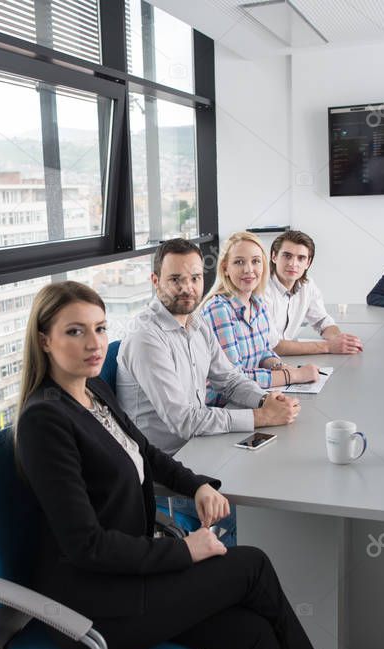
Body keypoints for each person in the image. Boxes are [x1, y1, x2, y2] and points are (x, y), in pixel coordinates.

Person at [15, 281, 330, 649]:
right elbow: (86, 547)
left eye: (100, 328)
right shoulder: (45, 421)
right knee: (252, 566)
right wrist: (184, 551)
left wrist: (196, 484)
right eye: (75, 331)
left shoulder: (92, 389)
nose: (94, 343)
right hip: (95, 606)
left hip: (133, 575)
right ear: (44, 340)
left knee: (254, 636)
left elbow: (145, 452)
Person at [118, 239, 300, 546]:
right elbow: (184, 421)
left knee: (282, 479)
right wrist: (259, 417)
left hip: (202, 446)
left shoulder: (196, 322)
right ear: (155, 281)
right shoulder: (146, 339)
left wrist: (265, 399)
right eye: (175, 279)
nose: (188, 288)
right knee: (263, 514)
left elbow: (228, 379)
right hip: (170, 467)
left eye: (195, 278)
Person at [201, 231, 318, 407]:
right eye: (239, 262)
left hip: (250, 398)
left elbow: (263, 352)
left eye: (255, 261)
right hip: (222, 406)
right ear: (225, 267)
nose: (249, 269)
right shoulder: (219, 310)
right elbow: (235, 378)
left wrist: (281, 366)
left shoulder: (258, 302)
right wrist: (294, 375)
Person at [264, 230, 363, 355]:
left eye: (301, 258)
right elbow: (271, 345)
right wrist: (327, 346)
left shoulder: (307, 285)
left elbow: (322, 321)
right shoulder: (261, 289)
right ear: (274, 256)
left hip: (283, 360)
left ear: (308, 263)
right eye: (287, 256)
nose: (293, 264)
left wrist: (340, 340)